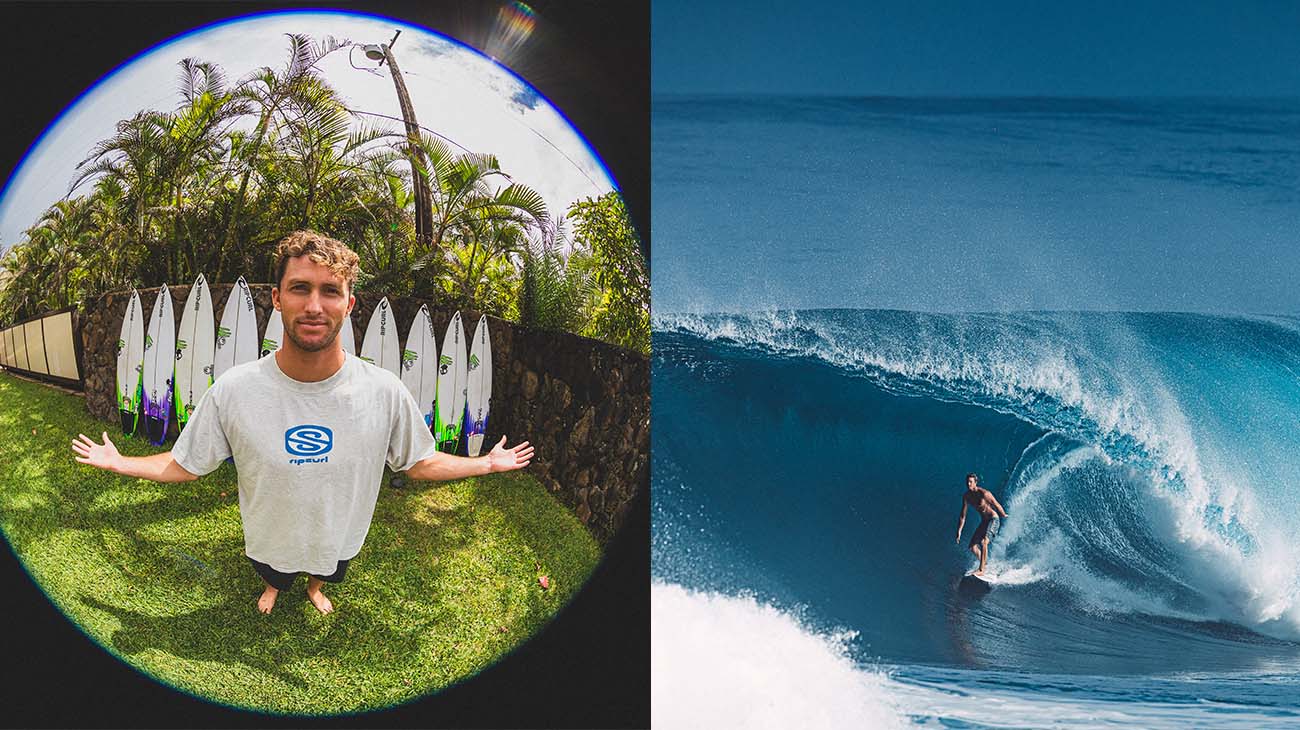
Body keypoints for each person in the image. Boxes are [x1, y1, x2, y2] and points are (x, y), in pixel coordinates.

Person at [72, 230, 534, 615]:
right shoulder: (234, 389)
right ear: (277, 299)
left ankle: (315, 588)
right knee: (273, 570)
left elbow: (419, 460)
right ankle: (274, 586)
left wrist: (487, 466)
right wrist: (121, 463)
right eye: (300, 288)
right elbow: (186, 463)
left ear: (349, 304)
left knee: (326, 570)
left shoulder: (384, 391)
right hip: (268, 539)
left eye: (330, 291)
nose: (315, 305)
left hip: (340, 539)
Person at [954, 473, 1008, 576]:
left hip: (993, 519)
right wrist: (959, 531)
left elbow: (996, 504)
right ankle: (985, 563)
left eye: (971, 482)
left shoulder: (984, 494)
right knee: (972, 547)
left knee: (984, 543)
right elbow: (963, 515)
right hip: (984, 522)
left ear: (975, 483)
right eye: (967, 482)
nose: (968, 484)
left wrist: (1003, 514)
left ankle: (981, 570)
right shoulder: (967, 496)